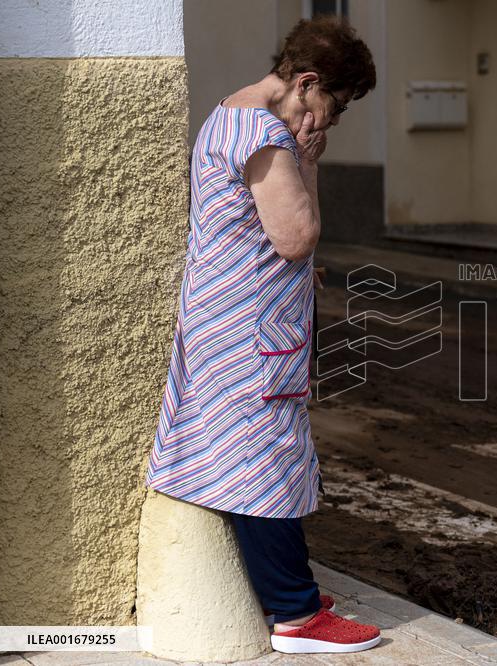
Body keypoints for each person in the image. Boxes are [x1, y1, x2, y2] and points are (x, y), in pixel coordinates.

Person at [143, 15, 381, 654]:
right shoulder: (268, 137)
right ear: (307, 83)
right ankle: (295, 614)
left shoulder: (229, 111)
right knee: (262, 465)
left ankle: (291, 591)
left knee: (249, 454)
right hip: (250, 330)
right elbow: (297, 237)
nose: (334, 120)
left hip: (225, 319)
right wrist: (308, 162)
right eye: (337, 103)